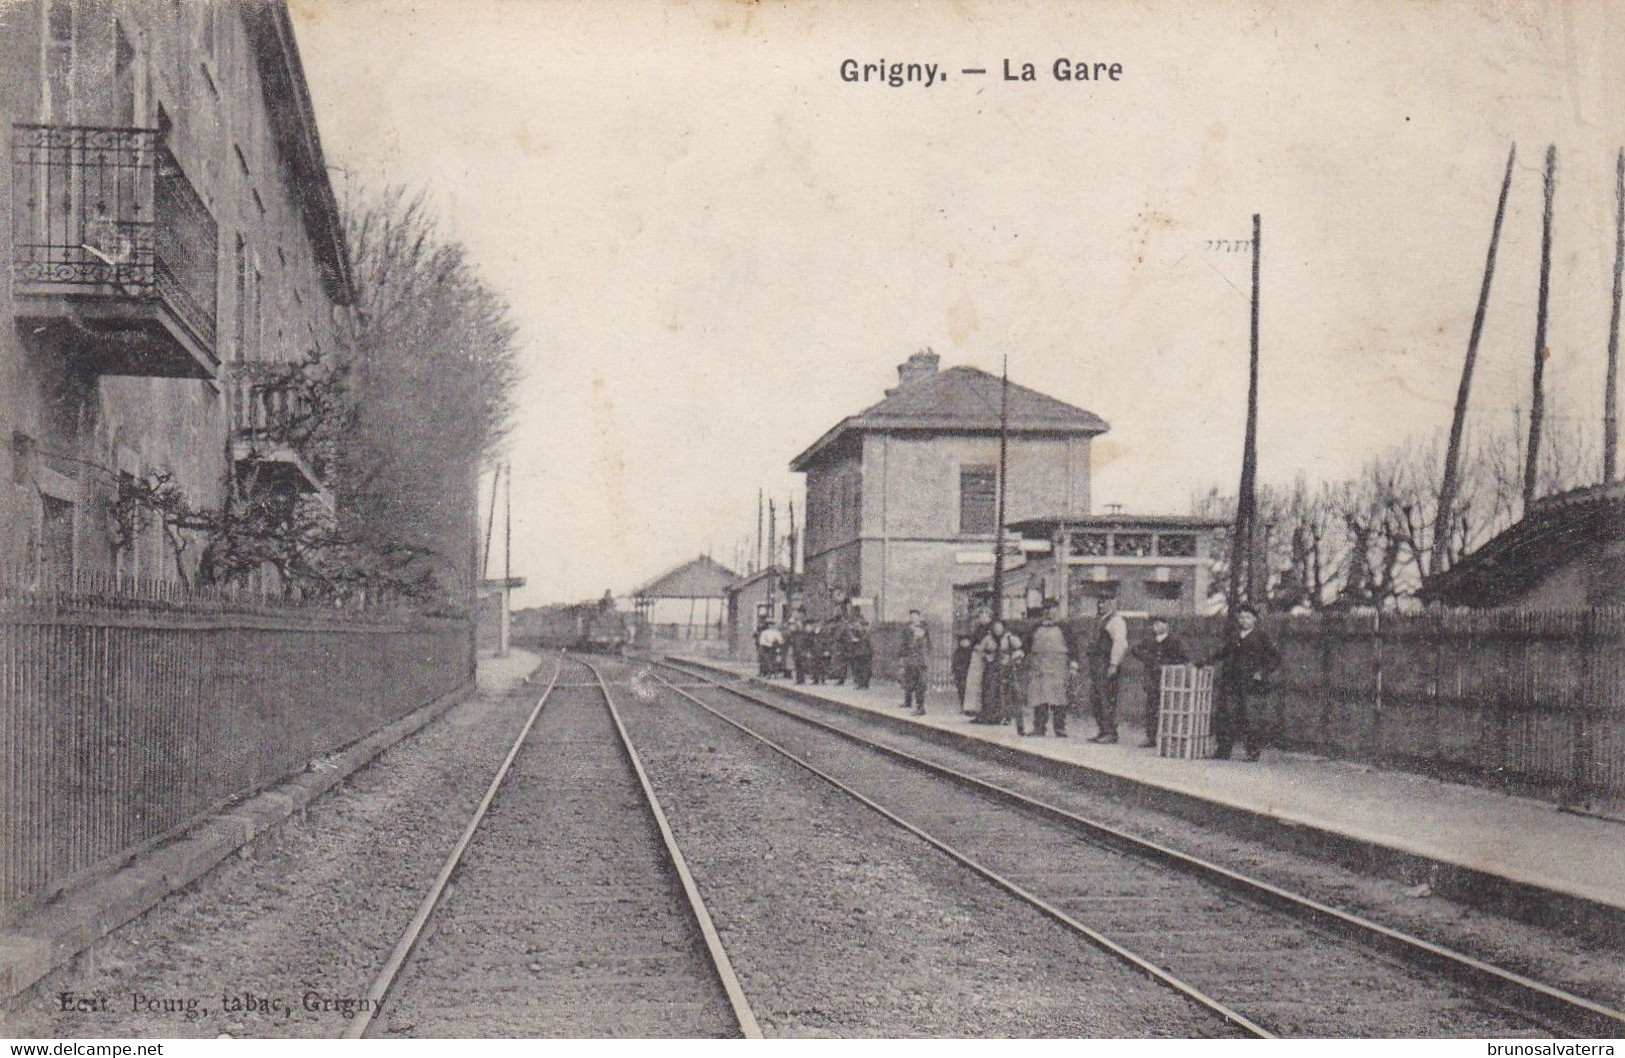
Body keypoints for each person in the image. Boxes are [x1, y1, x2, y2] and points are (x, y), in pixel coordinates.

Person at [1206, 605, 1282, 761]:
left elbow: (1275, 658)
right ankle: (1223, 750)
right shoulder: (1234, 636)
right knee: (1227, 715)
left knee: (1250, 717)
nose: (1244, 620)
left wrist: (1262, 672)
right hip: (1232, 682)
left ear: (1254, 619)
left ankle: (1252, 752)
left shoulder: (1261, 637)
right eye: (1241, 617)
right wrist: (1204, 662)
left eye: (1247, 617)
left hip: (1251, 684)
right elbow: (1223, 652)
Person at [1130, 616, 1188, 747]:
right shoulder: (1149, 641)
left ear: (1166, 626)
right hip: (1152, 678)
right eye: (1154, 624)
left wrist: (1167, 663)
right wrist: (1148, 658)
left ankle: (1167, 738)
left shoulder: (1174, 641)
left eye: (1160, 623)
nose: (1156, 626)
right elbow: (1135, 649)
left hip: (1169, 679)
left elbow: (1183, 658)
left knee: (1168, 707)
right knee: (1151, 707)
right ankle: (1151, 737)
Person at [1026, 603, 1073, 737]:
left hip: (1058, 666)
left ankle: (1059, 727)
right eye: (1046, 610)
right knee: (1039, 697)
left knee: (1059, 697)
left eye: (1052, 610)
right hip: (1039, 666)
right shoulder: (1036, 628)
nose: (1049, 613)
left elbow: (1072, 645)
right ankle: (1039, 727)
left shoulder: (1064, 628)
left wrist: (1074, 663)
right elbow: (1027, 644)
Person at [1087, 595, 1129, 743]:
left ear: (1112, 603)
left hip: (1106, 664)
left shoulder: (1116, 621)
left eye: (1104, 602)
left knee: (1107, 698)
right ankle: (1103, 730)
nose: (1101, 605)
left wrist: (1114, 664)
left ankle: (1110, 732)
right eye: (1100, 602)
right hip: (1097, 664)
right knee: (1097, 698)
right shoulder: (1100, 620)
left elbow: (1120, 643)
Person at [961, 606, 994, 718]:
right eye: (981, 615)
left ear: (990, 617)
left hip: (985, 657)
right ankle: (973, 708)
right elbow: (974, 641)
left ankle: (982, 709)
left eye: (985, 615)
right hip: (976, 657)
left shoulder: (992, 629)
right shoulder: (978, 628)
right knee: (974, 681)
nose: (983, 618)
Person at [899, 609, 931, 715]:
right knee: (909, 681)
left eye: (915, 616)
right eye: (911, 616)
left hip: (920, 662)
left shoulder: (924, 633)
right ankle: (910, 703)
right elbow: (904, 644)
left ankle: (920, 707)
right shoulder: (908, 630)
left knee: (920, 684)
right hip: (912, 661)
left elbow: (928, 646)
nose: (913, 618)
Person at [847, 615, 874, 690]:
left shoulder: (860, 632)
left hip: (861, 653)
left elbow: (869, 643)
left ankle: (862, 684)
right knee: (863, 668)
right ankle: (863, 684)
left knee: (861, 668)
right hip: (864, 653)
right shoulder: (865, 632)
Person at [822, 616, 848, 685]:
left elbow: (835, 635)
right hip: (839, 645)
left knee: (839, 663)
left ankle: (841, 679)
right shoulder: (843, 625)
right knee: (839, 662)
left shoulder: (839, 626)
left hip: (839, 645)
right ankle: (840, 678)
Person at [951, 635, 975, 711]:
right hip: (960, 674)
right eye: (962, 641)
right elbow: (954, 663)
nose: (964, 643)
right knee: (961, 690)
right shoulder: (957, 652)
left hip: (969, 673)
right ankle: (962, 706)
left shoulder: (971, 652)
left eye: (966, 641)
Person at [788, 614, 812, 684]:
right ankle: (799, 679)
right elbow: (792, 643)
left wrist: (806, 651)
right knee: (797, 665)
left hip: (802, 651)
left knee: (801, 665)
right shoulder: (794, 635)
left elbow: (807, 643)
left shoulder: (804, 635)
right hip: (796, 651)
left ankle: (801, 679)